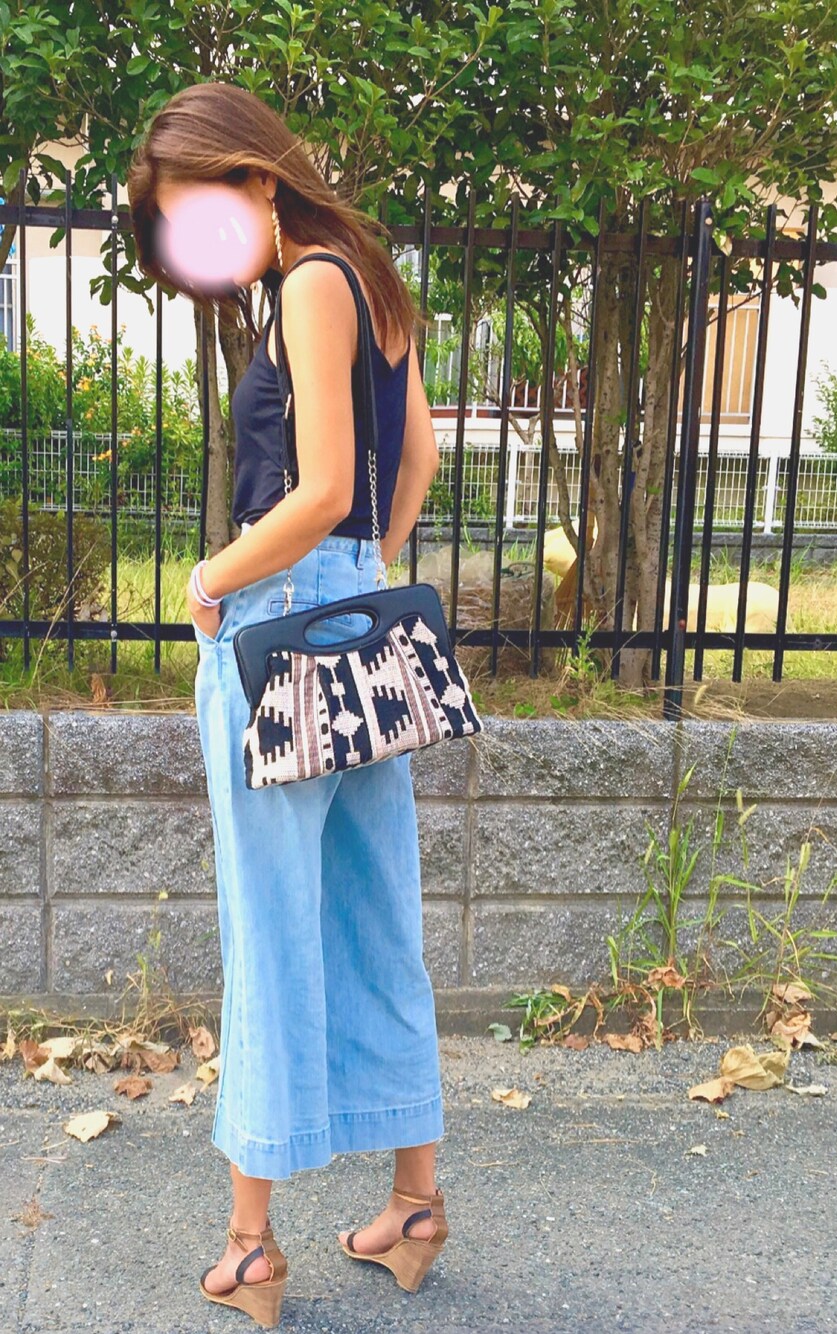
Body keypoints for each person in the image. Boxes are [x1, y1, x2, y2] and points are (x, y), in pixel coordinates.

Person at [127, 82, 449, 1326]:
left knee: (267, 924)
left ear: (256, 176)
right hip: (365, 620)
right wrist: (367, 571)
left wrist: (212, 579)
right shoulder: (372, 278)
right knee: (376, 916)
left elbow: (314, 490)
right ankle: (411, 1209)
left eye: (199, 209)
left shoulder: (310, 282)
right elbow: (412, 461)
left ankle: (252, 1248)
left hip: (275, 622)